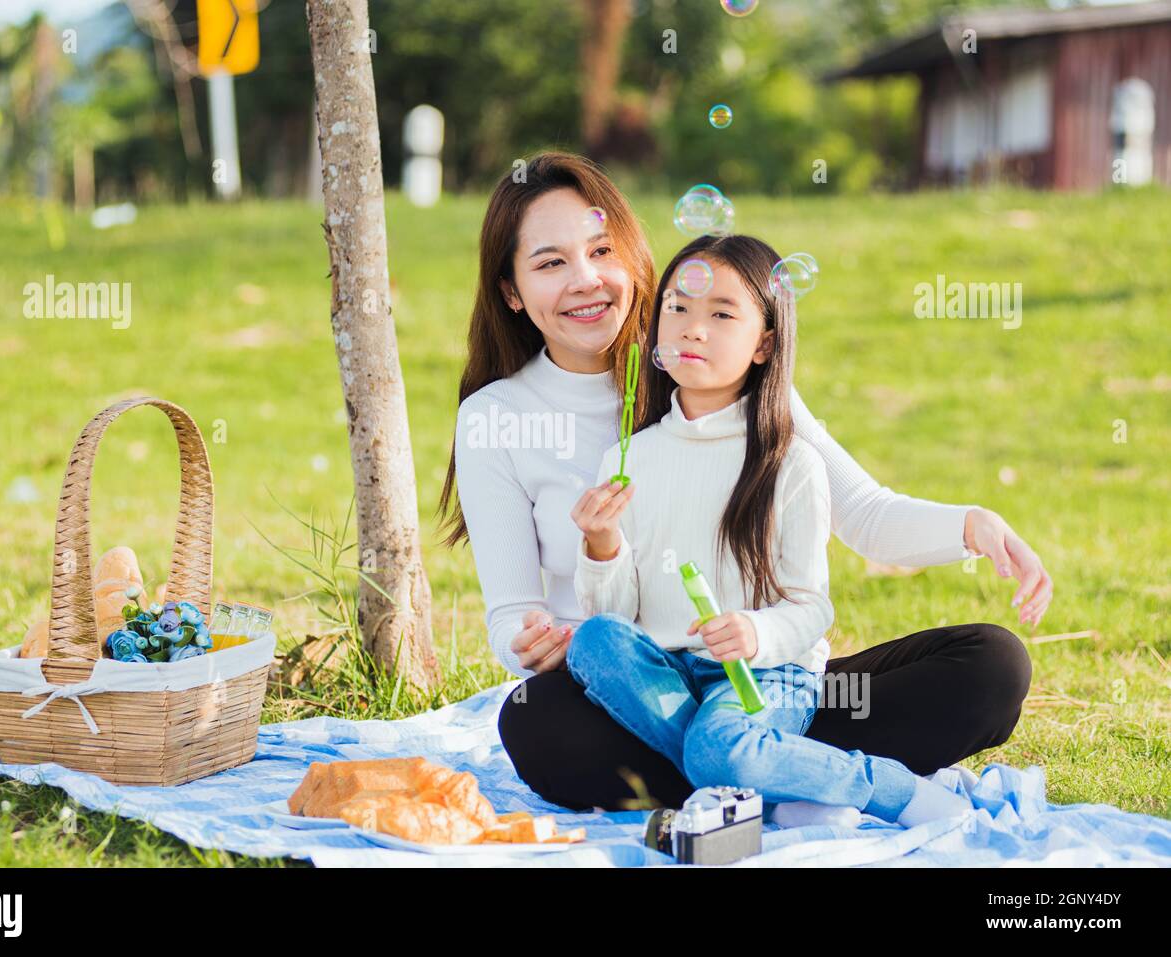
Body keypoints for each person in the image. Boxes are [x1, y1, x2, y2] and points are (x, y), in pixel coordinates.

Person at [436, 151, 1042, 811]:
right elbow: (510, 613)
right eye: (551, 262)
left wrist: (970, 525)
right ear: (511, 290)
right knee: (535, 717)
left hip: (764, 677)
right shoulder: (495, 418)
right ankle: (776, 771)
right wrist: (529, 640)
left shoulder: (708, 362)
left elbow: (863, 512)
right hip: (632, 692)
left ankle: (747, 762)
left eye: (601, 250)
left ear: (633, 257)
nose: (586, 279)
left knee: (991, 666)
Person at [566, 232, 972, 826]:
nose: (692, 328)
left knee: (719, 745)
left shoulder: (790, 462)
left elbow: (811, 609)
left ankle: (890, 789)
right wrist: (601, 547)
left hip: (767, 673)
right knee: (594, 640)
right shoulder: (629, 458)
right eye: (676, 308)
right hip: (670, 671)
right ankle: (778, 789)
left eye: (722, 314)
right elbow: (619, 612)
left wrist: (755, 633)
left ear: (765, 346)